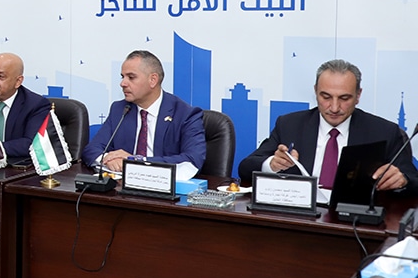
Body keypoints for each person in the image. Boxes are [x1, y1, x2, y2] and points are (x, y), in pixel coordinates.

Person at [238, 59, 418, 194]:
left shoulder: (384, 132)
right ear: (315, 91)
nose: (334, 107)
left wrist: (402, 180)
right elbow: (245, 168)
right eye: (326, 97)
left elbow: (413, 181)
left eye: (344, 98)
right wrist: (272, 164)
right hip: (299, 218)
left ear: (358, 95)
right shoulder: (290, 124)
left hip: (354, 221)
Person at [82, 50, 206, 171]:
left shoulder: (185, 114)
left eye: (131, 77)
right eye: (122, 77)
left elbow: (193, 159)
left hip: (163, 182)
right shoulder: (120, 109)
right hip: (122, 182)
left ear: (153, 80)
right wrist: (107, 159)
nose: (123, 83)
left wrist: (137, 161)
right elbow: (92, 149)